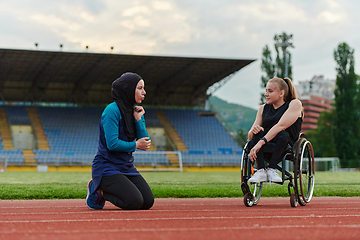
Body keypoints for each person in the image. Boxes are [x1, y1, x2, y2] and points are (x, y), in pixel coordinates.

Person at [86, 72, 154, 210]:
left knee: (148, 201)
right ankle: (98, 189)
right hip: (107, 167)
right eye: (140, 88)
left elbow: (145, 142)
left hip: (126, 167)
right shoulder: (111, 110)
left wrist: (139, 119)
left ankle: (105, 188)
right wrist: (136, 145)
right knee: (134, 202)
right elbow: (112, 144)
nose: (144, 92)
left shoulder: (134, 111)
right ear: (128, 89)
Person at [247, 77, 302, 183]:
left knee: (282, 134)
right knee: (258, 132)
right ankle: (261, 171)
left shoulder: (294, 104)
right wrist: (253, 131)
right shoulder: (263, 109)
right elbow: (250, 136)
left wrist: (260, 142)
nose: (266, 94)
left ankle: (271, 169)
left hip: (285, 145)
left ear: (281, 93)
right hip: (265, 145)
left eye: (270, 91)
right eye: (266, 91)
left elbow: (280, 126)